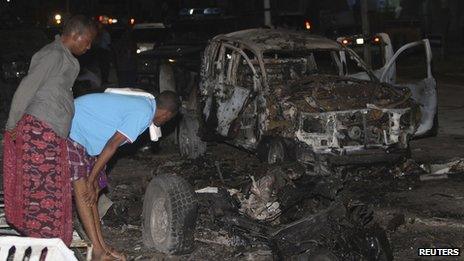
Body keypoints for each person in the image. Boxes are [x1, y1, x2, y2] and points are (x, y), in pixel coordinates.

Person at [2, 15, 97, 245]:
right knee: (41, 191)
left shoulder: (64, 59)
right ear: (77, 35)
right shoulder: (53, 55)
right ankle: (41, 242)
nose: (89, 46)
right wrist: (12, 126)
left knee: (51, 190)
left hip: (50, 133)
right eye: (88, 40)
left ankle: (48, 241)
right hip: (38, 131)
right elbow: (27, 88)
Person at [67, 90, 180, 260]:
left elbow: (109, 138)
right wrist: (91, 179)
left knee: (93, 194)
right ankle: (97, 252)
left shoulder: (147, 107)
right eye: (168, 120)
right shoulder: (143, 113)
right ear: (166, 114)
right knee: (84, 191)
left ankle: (102, 247)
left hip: (85, 134)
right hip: (72, 127)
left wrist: (96, 177)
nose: (164, 123)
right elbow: (112, 145)